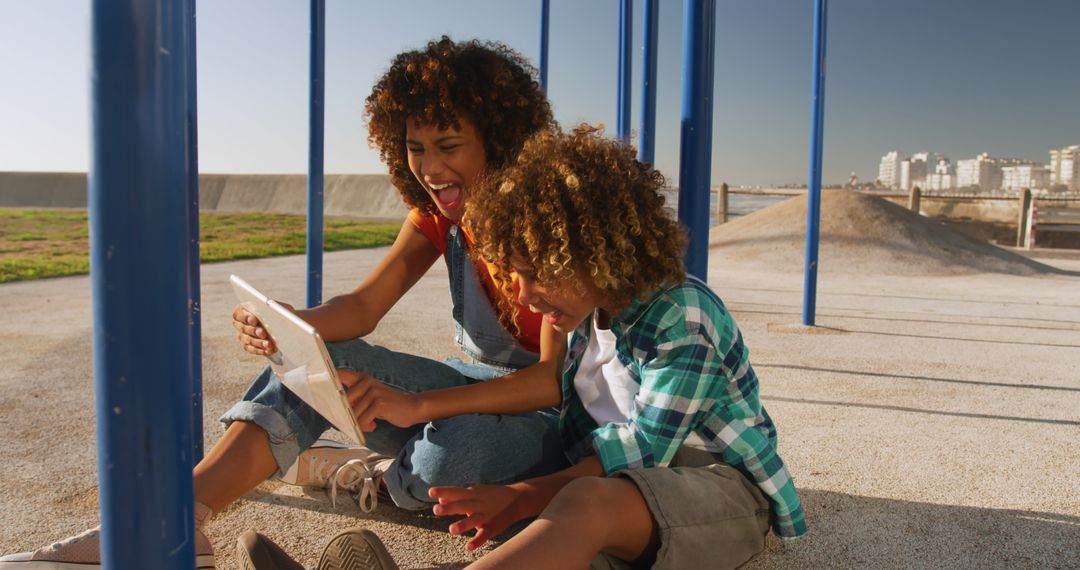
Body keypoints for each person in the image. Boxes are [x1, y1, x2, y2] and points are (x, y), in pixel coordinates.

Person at [0, 37, 570, 570]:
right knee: (321, 360)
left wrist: (419, 408)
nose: (430, 167)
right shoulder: (437, 218)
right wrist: (294, 323)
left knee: (451, 460)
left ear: (499, 141)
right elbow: (365, 305)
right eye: (415, 148)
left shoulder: (549, 227)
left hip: (548, 413)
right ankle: (174, 521)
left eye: (449, 146)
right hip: (474, 383)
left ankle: (360, 469)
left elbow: (550, 381)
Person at [235, 126, 808, 570]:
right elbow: (570, 420)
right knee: (550, 531)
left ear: (596, 250)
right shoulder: (587, 313)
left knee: (579, 503)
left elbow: (644, 453)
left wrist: (521, 495)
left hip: (714, 492)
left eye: (537, 274)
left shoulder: (682, 316)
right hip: (614, 495)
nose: (527, 300)